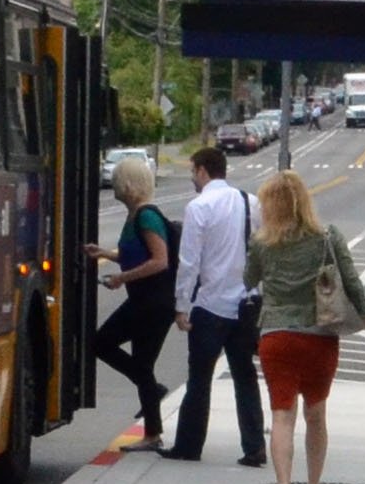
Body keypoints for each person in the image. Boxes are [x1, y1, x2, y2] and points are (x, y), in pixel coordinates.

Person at [247, 168, 365, 484]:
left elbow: (247, 279)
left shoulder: (262, 242)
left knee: (282, 415)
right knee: (316, 414)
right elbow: (351, 280)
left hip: (277, 337)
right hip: (319, 337)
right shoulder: (326, 237)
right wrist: (363, 314)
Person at [165, 144, 265, 466]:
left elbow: (189, 262)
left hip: (210, 305)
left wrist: (181, 305)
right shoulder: (251, 203)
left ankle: (189, 445)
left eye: (193, 171)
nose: (192, 178)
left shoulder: (199, 207)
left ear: (203, 171)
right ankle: (254, 447)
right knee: (245, 376)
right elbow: (260, 251)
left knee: (200, 379)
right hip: (246, 304)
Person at [88, 155, 178, 445]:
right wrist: (104, 253)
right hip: (145, 300)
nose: (112, 184)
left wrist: (121, 278)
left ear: (128, 183)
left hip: (154, 302)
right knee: (142, 363)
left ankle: (153, 399)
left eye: (116, 178)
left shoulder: (147, 215)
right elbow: (133, 253)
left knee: (102, 343)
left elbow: (160, 260)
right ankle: (153, 431)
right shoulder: (134, 216)